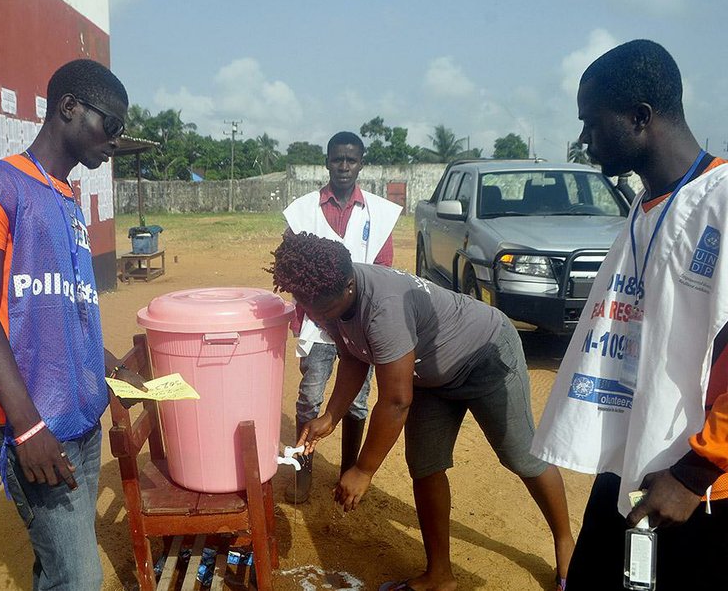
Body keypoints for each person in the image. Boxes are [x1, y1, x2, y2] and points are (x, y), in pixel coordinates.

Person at [268, 231, 574, 591]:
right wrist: (331, 416)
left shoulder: (384, 306)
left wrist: (363, 470)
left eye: (323, 310)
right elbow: (353, 354)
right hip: (430, 375)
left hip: (485, 355)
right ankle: (439, 575)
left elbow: (396, 401)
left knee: (521, 457)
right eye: (310, 307)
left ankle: (566, 541)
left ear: (349, 286)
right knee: (425, 466)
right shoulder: (327, 294)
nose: (317, 316)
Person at [531, 40, 728, 590]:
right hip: (633, 463)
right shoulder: (645, 210)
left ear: (639, 118)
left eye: (592, 124)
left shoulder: (722, 203)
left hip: (702, 486)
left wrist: (695, 474)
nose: (584, 140)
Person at [0, 59, 142, 591]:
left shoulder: (66, 200)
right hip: (33, 426)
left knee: (58, 568)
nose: (115, 140)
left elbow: (65, 312)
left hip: (78, 417)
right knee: (79, 578)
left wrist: (114, 368)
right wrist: (28, 426)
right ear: (69, 107)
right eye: (112, 125)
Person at [282, 131, 402, 503]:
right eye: (338, 160)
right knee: (309, 398)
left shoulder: (378, 214)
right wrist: (309, 313)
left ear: (361, 163)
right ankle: (303, 475)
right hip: (319, 324)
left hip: (360, 324)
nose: (344, 166)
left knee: (358, 400)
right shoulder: (304, 210)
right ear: (327, 162)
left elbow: (383, 268)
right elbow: (290, 266)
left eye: (351, 160)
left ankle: (349, 470)